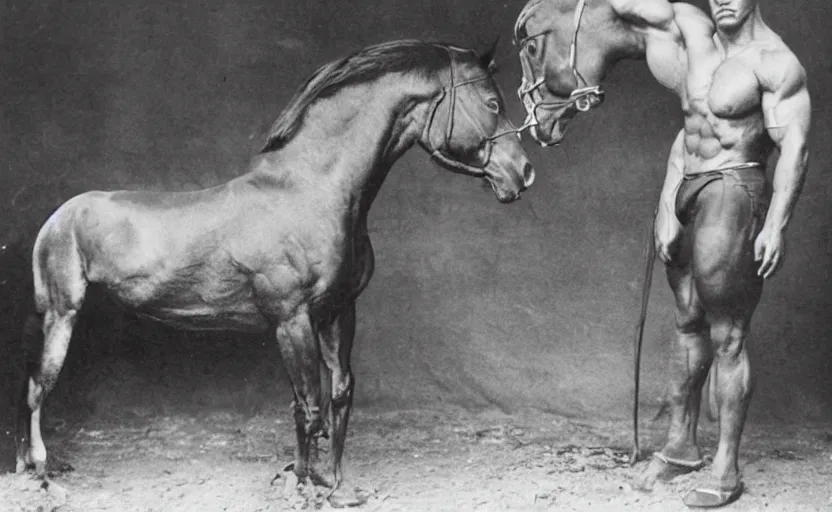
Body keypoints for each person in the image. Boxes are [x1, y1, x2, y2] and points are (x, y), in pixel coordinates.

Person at [607, 0, 811, 507]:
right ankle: (681, 443)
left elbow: (795, 148)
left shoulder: (775, 62)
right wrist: (666, 204)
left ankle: (726, 464)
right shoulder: (698, 43)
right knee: (686, 320)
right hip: (688, 186)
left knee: (727, 333)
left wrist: (777, 225)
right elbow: (687, 131)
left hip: (733, 187)